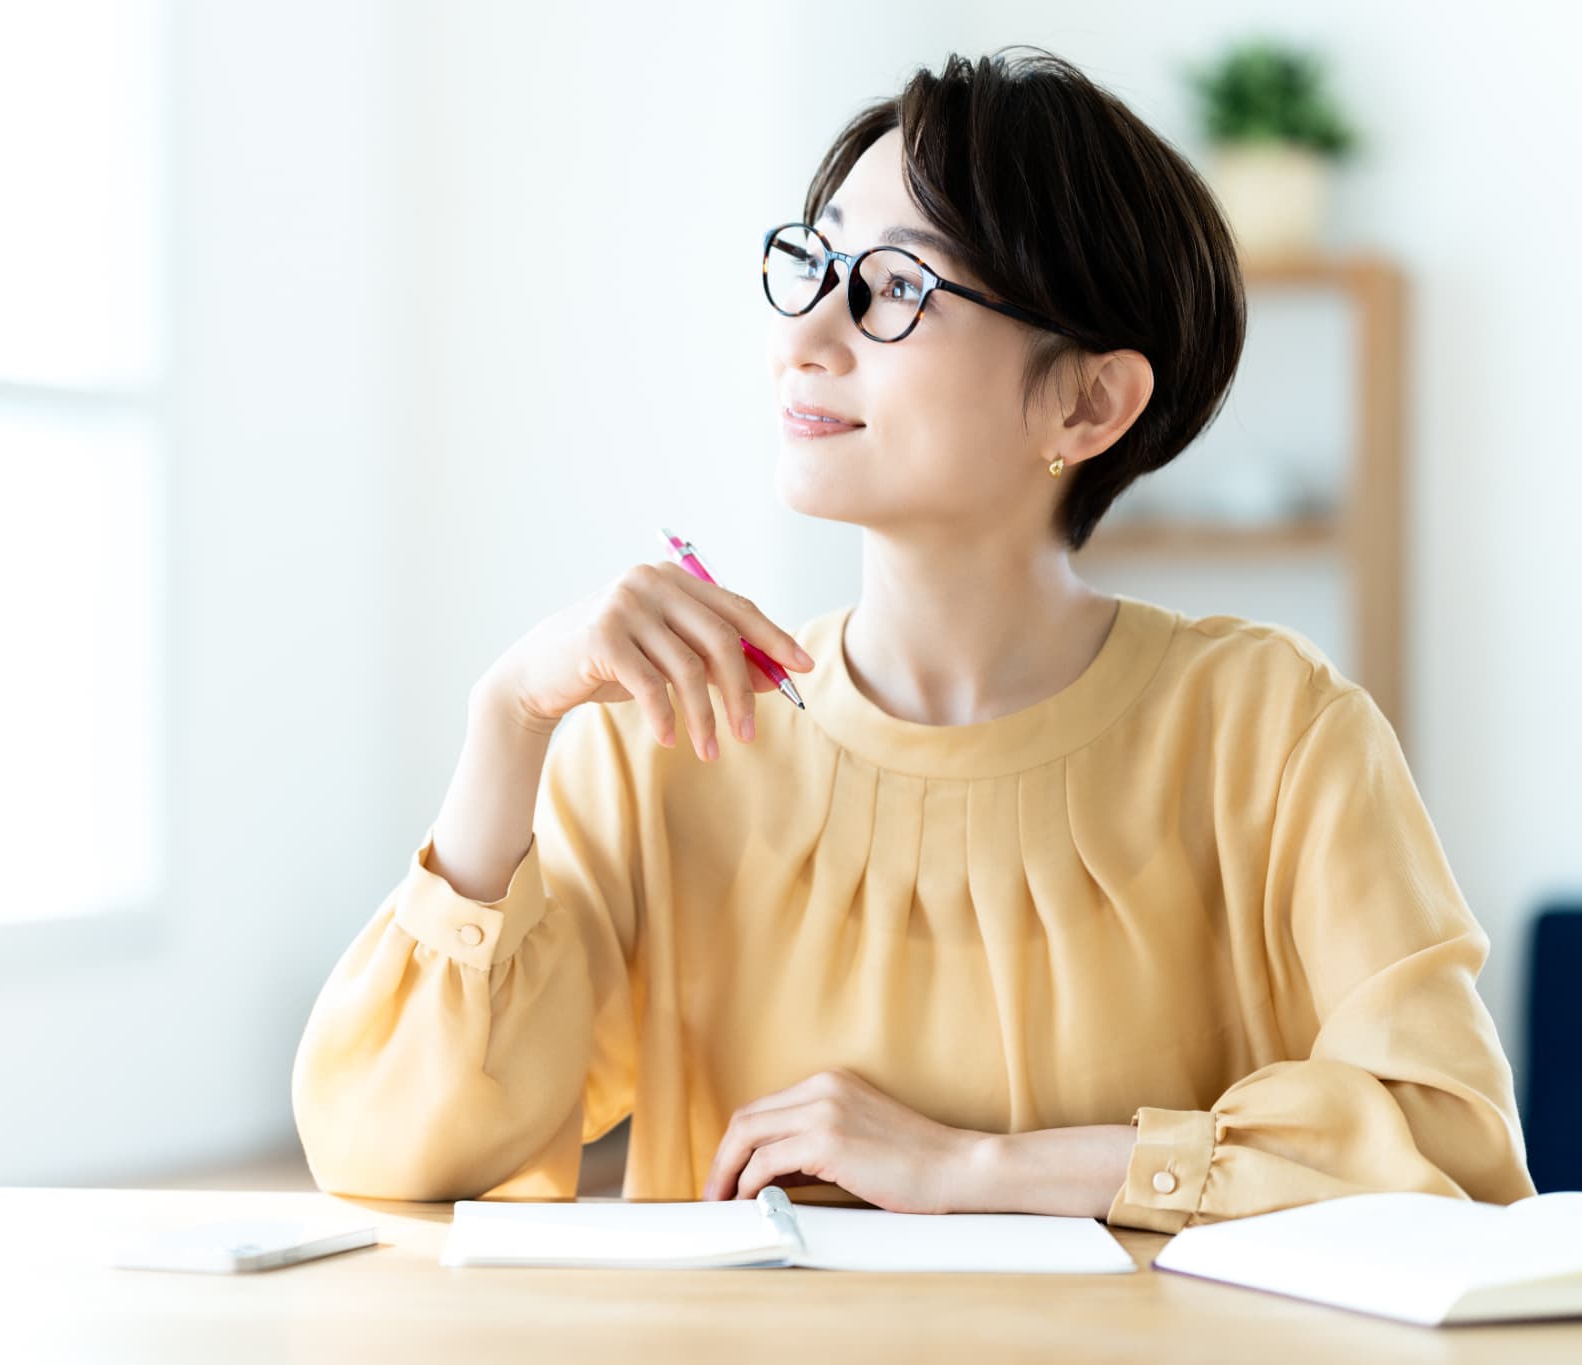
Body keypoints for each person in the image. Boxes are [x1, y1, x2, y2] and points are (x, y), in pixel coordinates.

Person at [289, 46, 1536, 1232]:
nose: (802, 340)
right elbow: (391, 1153)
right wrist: (505, 719)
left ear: (1086, 400)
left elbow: (1450, 1157)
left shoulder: (1269, 731)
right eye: (811, 267)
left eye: (893, 286)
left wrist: (969, 1169)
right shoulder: (671, 740)